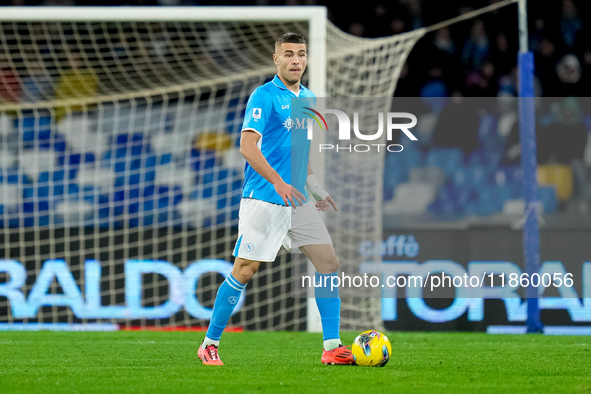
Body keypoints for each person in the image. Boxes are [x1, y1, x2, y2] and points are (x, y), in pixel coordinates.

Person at [198, 32, 354, 366]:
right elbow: (246, 146)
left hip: (297, 200)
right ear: (276, 59)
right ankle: (209, 343)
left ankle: (332, 347)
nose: (296, 60)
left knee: (329, 263)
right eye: (288, 54)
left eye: (301, 54)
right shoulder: (263, 96)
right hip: (265, 198)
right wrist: (279, 182)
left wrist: (315, 188)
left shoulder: (309, 98)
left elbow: (299, 152)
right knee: (244, 269)